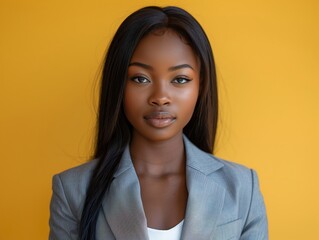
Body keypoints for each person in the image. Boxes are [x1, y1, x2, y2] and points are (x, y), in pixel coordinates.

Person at [49, 6, 268, 240]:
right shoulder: (73, 190)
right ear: (119, 85)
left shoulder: (243, 188)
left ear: (201, 86)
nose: (160, 97)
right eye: (140, 78)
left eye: (180, 79)